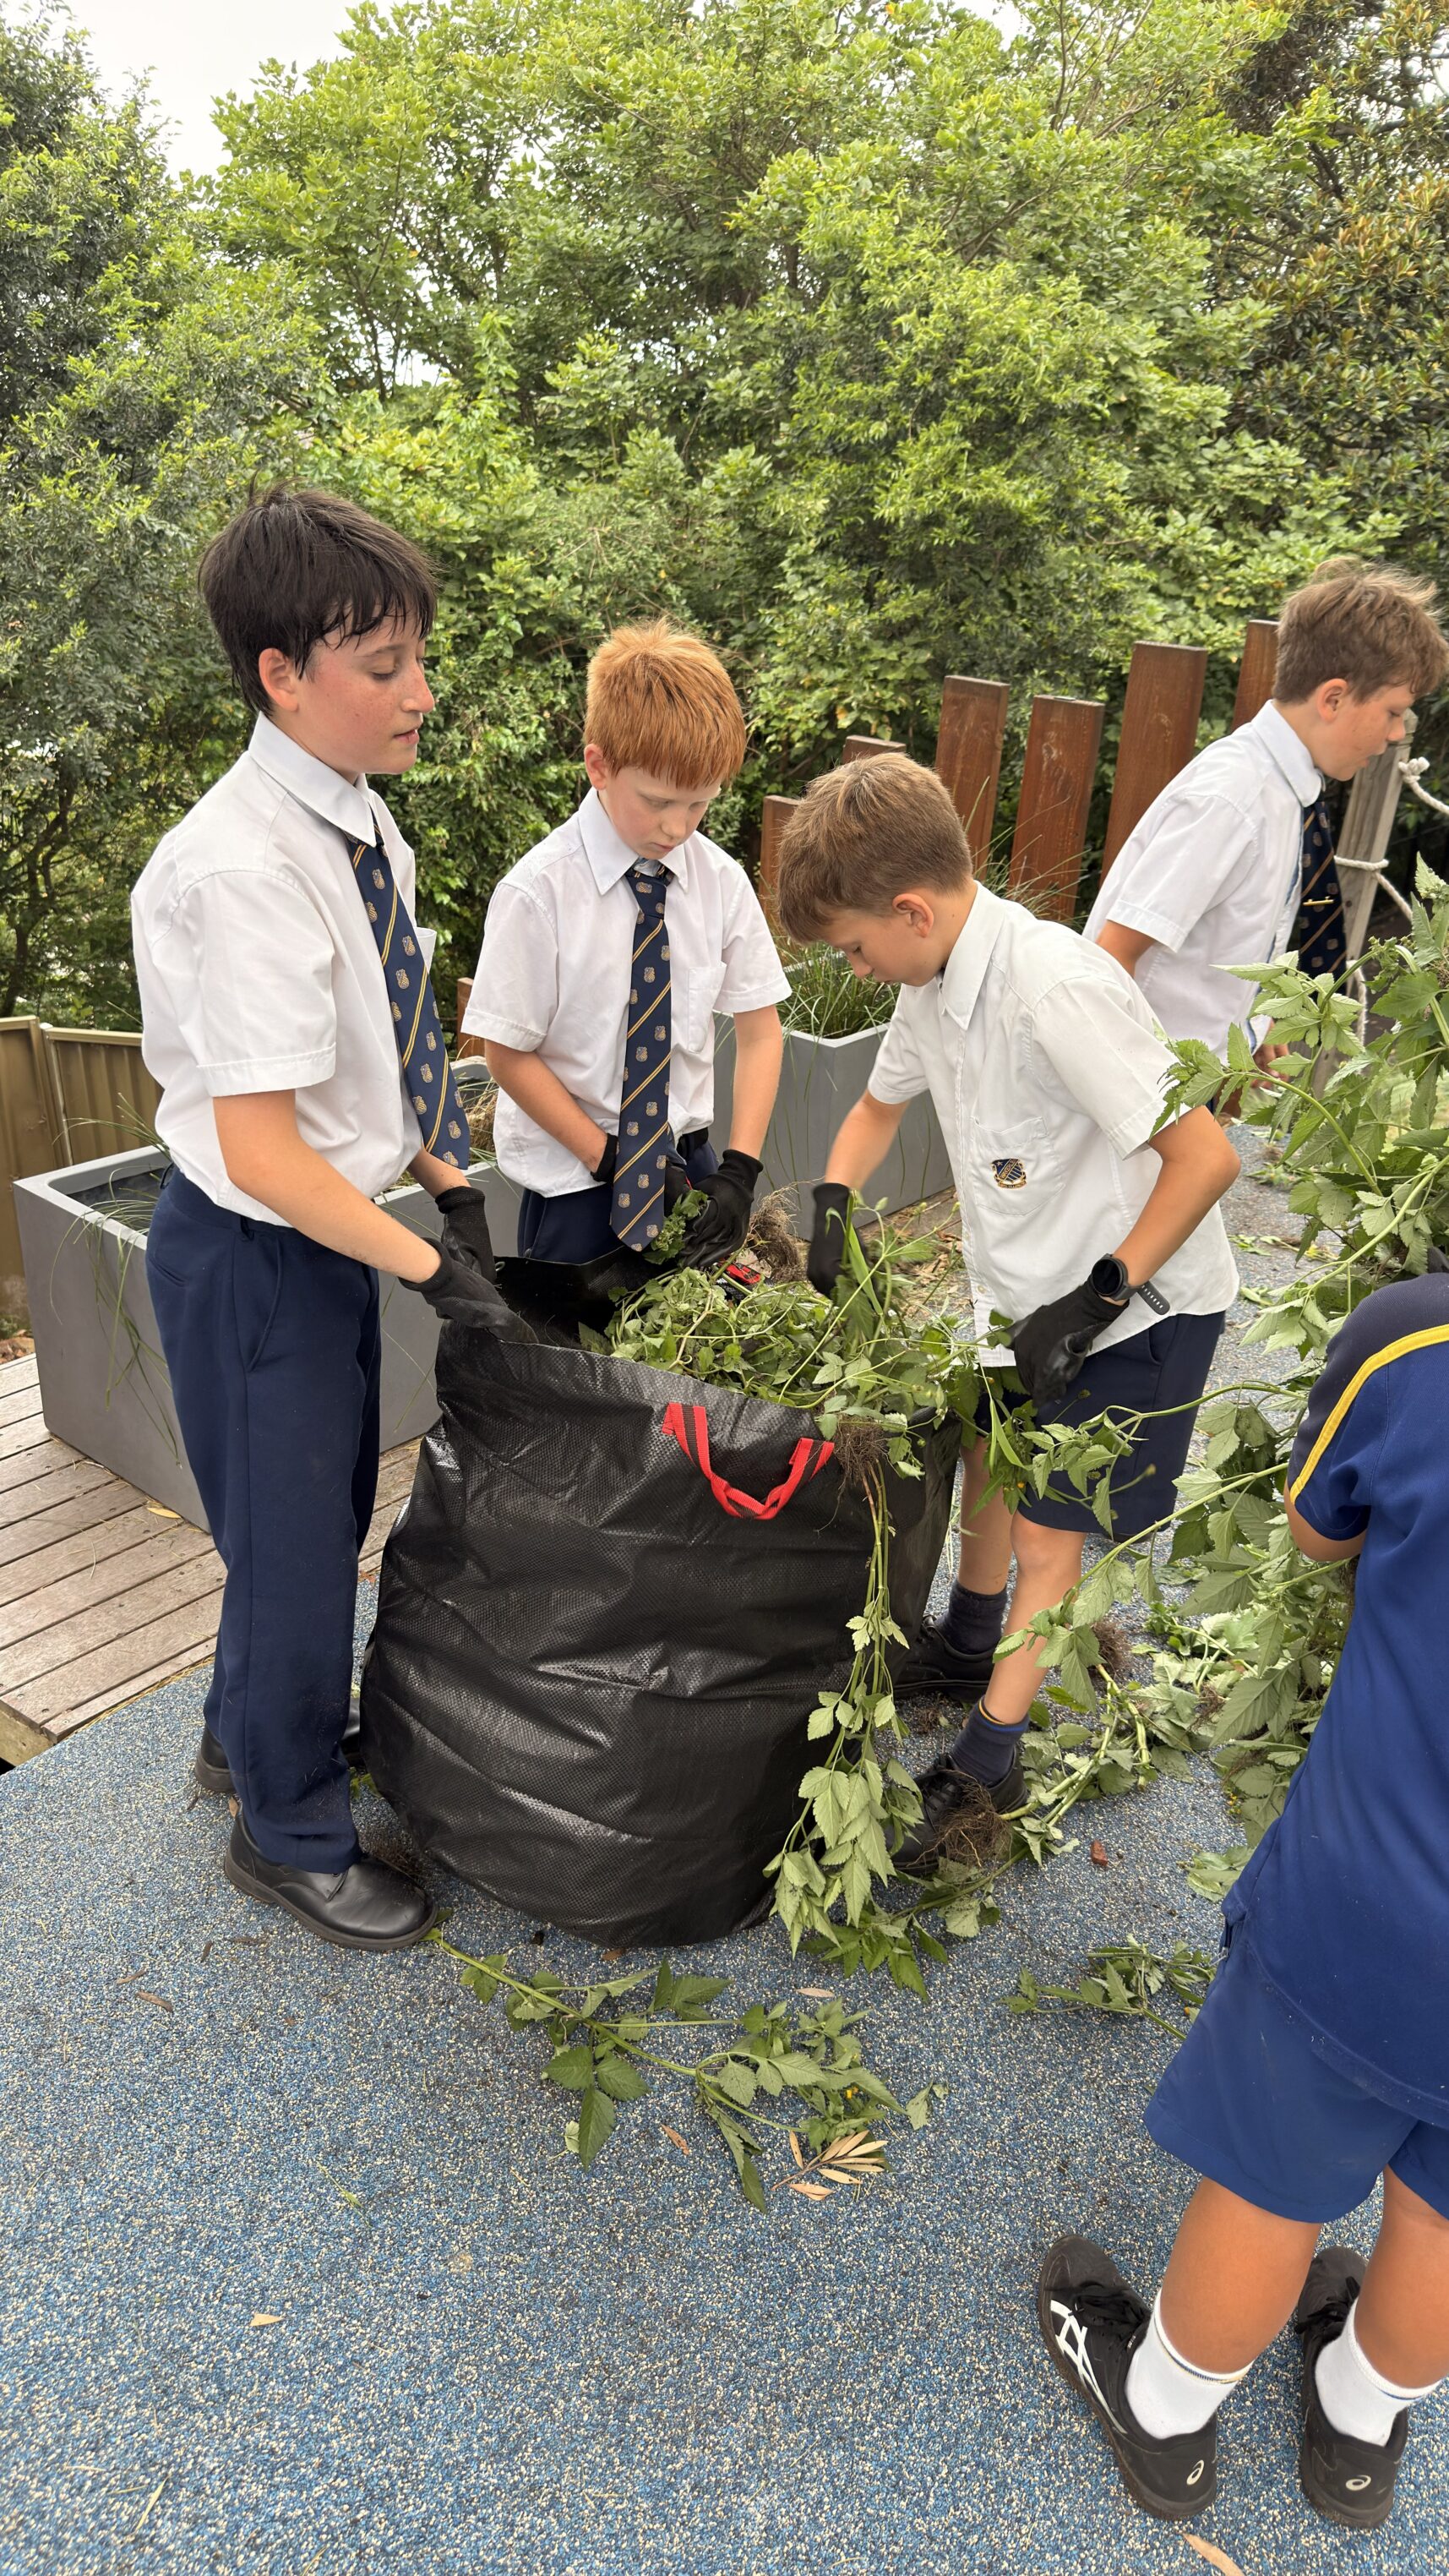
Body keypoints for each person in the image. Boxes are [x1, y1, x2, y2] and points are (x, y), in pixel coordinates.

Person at [133, 485, 520, 1952]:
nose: (421, 693)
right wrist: (438, 1272)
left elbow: (397, 1032)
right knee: (296, 1549)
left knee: (315, 1517)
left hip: (338, 1235)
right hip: (254, 1252)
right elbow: (265, 1150)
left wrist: (457, 1193)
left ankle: (247, 1734)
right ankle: (285, 1830)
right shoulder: (241, 869)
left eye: (420, 656)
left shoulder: (361, 823)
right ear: (280, 675)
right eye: (383, 667)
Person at [1038, 1267, 1449, 2529]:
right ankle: (1359, 2422)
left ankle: (1160, 2408)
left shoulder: (1414, 1339)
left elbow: (1317, 1529)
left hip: (1382, 1901)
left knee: (1275, 2179)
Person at [776, 755, 1239, 1856]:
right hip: (1023, 1286)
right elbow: (876, 1108)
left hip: (1136, 1300)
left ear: (908, 909)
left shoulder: (1055, 989)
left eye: (850, 946)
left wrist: (1098, 1296)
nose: (854, 965)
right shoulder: (929, 980)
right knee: (993, 1451)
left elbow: (1204, 1158)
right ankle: (968, 1638)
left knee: (1047, 1539)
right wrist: (834, 1199)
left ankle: (988, 1765)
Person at [463, 620, 788, 1269]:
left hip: (690, 1168)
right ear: (599, 765)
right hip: (577, 1182)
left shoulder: (718, 882)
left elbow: (760, 1030)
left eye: (699, 806)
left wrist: (740, 1170)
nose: (677, 827)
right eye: (658, 801)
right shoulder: (538, 894)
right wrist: (609, 1158)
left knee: (687, 1357)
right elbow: (507, 1056)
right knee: (577, 1367)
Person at [1085, 560, 1449, 1068]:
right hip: (1124, 1108)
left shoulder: (1283, 793)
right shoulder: (1233, 799)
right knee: (1003, 1158)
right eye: (1393, 712)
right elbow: (1109, 960)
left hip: (1176, 1096)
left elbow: (1218, 943)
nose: (1395, 735)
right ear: (1334, 698)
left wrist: (1250, 1025)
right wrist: (1169, 1113)